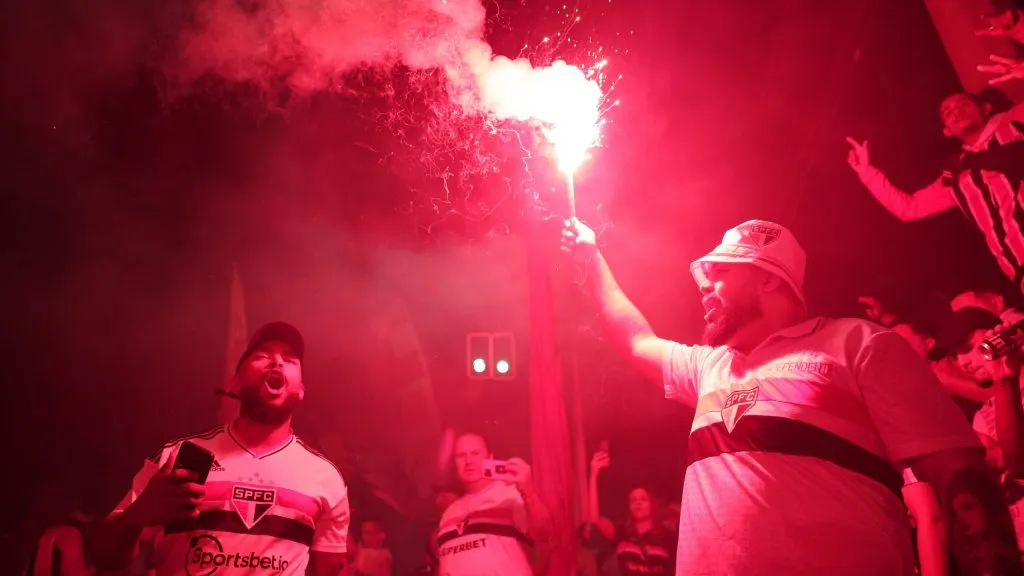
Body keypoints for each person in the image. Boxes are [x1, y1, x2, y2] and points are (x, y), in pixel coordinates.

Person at [561, 217, 1015, 575]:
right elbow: (636, 339)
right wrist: (592, 255)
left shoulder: (858, 344)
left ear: (769, 279)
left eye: (720, 272)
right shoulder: (711, 367)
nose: (703, 285)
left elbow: (962, 482)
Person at [90, 322, 351, 576]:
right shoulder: (176, 456)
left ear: (302, 389)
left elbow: (332, 570)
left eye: (290, 359)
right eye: (262, 355)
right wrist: (138, 515)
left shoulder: (325, 477)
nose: (277, 362)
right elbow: (102, 556)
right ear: (235, 380)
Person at [846, 92, 1024, 292]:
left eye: (963, 104)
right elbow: (910, 208)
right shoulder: (957, 174)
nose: (956, 112)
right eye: (947, 113)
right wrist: (867, 172)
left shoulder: (1012, 123)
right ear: (947, 131)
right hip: (1017, 268)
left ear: (985, 109)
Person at [434, 432, 554, 576]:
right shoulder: (449, 514)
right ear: (455, 464)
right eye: (461, 455)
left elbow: (545, 534)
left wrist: (529, 493)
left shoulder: (511, 495)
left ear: (490, 458)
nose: (468, 461)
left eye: (475, 453)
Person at [584, 450, 676, 575]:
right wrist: (593, 477)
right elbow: (595, 519)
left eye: (643, 499)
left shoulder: (667, 535)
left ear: (652, 505)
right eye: (633, 500)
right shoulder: (622, 533)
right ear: (629, 507)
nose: (638, 503)